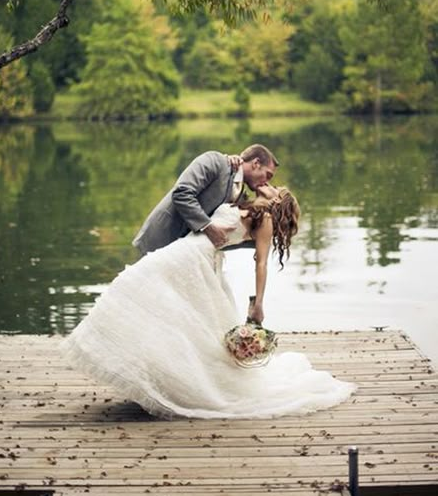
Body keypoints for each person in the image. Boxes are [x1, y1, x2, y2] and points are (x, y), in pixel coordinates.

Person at [62, 184, 355, 419]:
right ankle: (157, 372)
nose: (270, 184)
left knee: (144, 292)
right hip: (186, 254)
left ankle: (176, 381)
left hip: (194, 260)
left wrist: (258, 304)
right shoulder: (242, 201)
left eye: (275, 188)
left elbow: (261, 263)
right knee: (151, 300)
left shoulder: (264, 219)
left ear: (280, 202)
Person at [132, 143, 278, 255]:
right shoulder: (215, 161)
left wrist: (265, 237)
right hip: (163, 238)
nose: (266, 182)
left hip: (187, 253)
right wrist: (208, 227)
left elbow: (222, 237)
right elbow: (182, 193)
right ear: (256, 163)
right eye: (268, 175)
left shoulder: (241, 196)